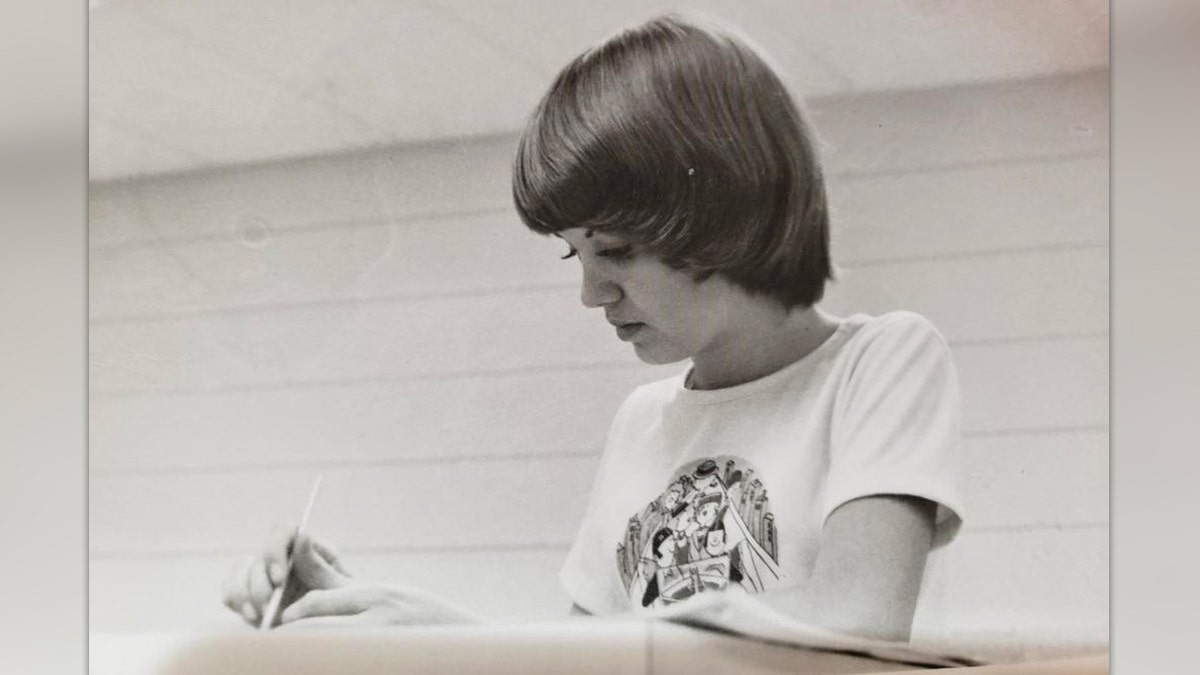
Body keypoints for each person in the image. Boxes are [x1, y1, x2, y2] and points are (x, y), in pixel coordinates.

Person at [221, 13, 964, 641]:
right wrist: (401, 623)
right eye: (574, 253)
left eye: (616, 250)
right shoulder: (642, 421)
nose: (589, 291)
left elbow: (856, 622)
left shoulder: (880, 361)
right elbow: (581, 662)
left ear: (727, 211)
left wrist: (480, 643)